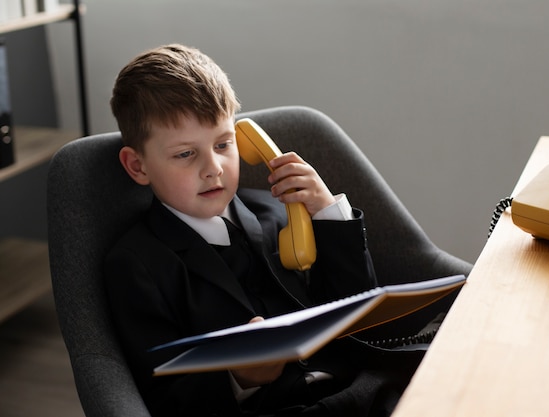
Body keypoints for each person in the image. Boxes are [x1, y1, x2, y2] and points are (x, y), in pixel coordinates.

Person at [104, 43, 420, 417]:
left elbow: (357, 312)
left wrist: (326, 215)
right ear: (138, 167)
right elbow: (162, 398)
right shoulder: (137, 264)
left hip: (363, 389)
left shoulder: (274, 209)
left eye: (223, 144)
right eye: (186, 154)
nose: (214, 168)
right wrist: (238, 377)